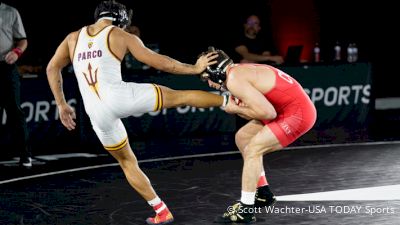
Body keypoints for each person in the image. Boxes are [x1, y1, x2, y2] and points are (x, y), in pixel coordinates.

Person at [46, 1, 229, 224]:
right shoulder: (120, 36)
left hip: (95, 111)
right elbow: (162, 63)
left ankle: (161, 211)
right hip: (120, 96)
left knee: (127, 162)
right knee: (179, 96)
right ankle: (233, 102)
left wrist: (61, 104)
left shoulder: (72, 38)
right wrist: (195, 68)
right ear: (121, 19)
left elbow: (52, 67)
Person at [199, 47, 316, 223]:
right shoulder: (236, 71)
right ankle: (263, 193)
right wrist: (240, 109)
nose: (208, 84)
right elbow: (257, 111)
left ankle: (245, 210)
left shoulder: (234, 80)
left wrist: (235, 108)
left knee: (253, 149)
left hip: (296, 114)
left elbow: (267, 113)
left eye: (206, 78)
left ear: (215, 72)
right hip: (286, 109)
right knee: (243, 138)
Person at [0, 2, 32, 168]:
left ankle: (25, 155)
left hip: (6, 66)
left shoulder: (10, 12)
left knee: (14, 111)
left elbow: (22, 41)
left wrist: (16, 52)